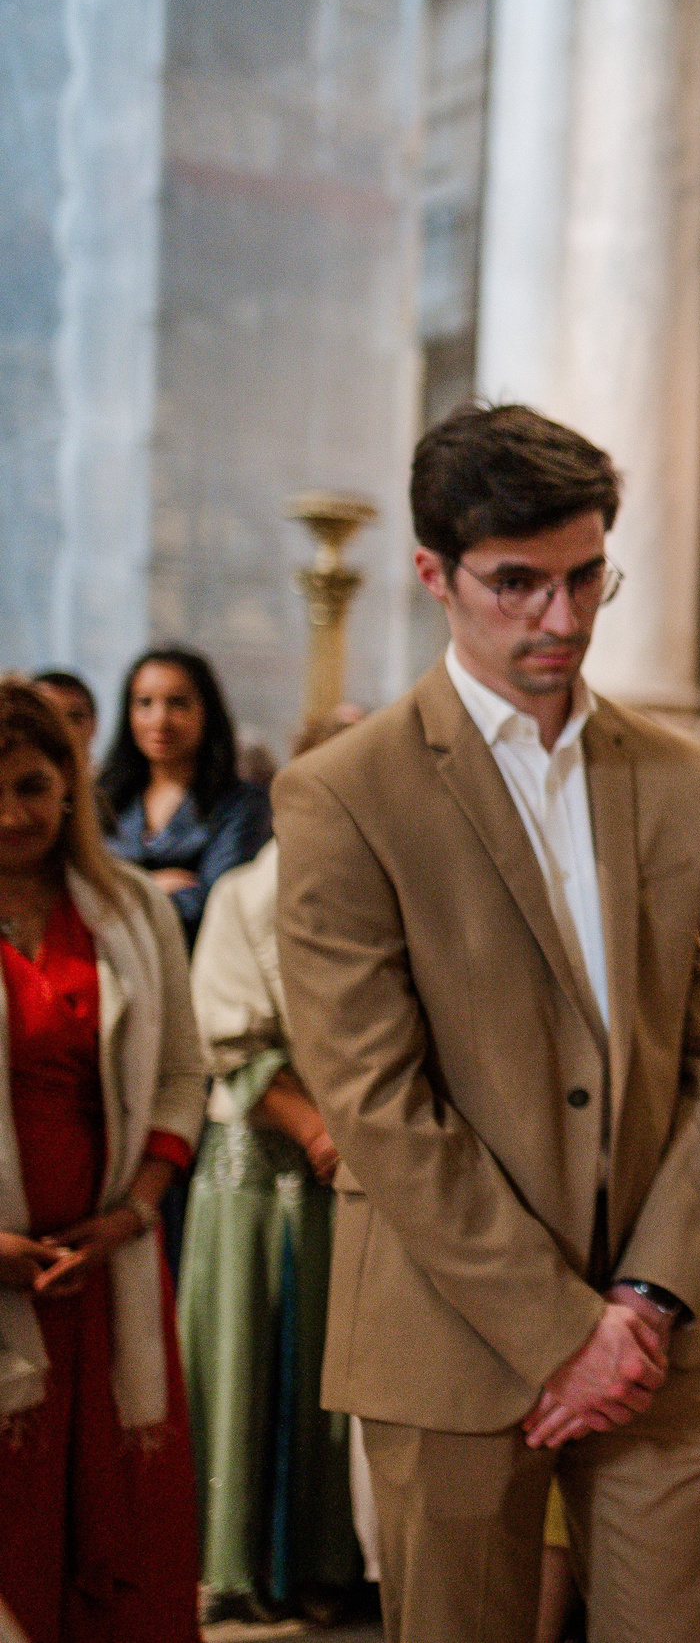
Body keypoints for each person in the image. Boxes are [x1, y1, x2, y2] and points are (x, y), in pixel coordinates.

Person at [271, 403, 700, 1643]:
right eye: (519, 584)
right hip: (450, 1334)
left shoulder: (678, 774)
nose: (565, 618)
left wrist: (644, 1297)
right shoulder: (343, 793)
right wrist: (560, 1328)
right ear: (434, 574)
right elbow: (376, 1100)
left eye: (589, 575)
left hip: (669, 1330)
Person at [0, 677, 207, 1643]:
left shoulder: (128, 906)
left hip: (110, 1267)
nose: (12, 814)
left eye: (34, 786)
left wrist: (133, 1212)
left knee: (126, 1519)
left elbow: (179, 1077)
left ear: (72, 786)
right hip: (3, 1281)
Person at [178, 712, 365, 1625]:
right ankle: (239, 1564)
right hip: (259, 1167)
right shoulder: (248, 894)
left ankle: (330, 1561)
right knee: (243, 1361)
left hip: (352, 1174)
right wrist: (319, 1129)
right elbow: (230, 1035)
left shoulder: (381, 888)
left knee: (340, 1382)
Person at [97, 647, 270, 951]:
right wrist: (153, 886)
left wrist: (118, 895)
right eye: (144, 703)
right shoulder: (105, 796)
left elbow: (214, 903)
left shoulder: (241, 805)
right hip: (111, 963)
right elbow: (79, 891)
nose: (159, 719)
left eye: (177, 703)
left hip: (195, 965)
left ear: (207, 711)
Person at [30, 671, 97, 766]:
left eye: (74, 718)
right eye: (48, 718)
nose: (63, 730)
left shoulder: (111, 779)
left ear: (93, 724)